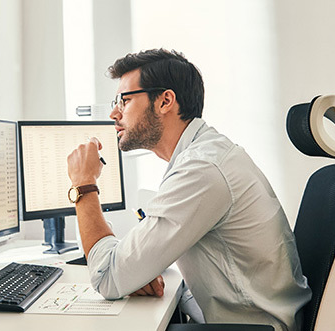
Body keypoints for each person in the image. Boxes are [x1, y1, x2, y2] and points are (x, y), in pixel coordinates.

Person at [66, 48, 311, 330]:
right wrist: (137, 269)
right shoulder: (203, 155)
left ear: (165, 101)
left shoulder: (202, 168)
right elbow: (122, 270)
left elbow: (107, 277)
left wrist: (83, 184)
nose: (114, 112)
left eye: (125, 100)